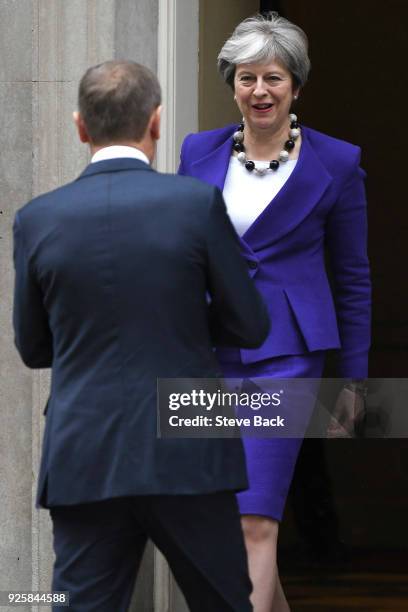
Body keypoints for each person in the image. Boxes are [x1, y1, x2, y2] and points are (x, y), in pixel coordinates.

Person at [13, 60, 270, 612]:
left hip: (85, 445)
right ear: (156, 122)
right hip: (189, 436)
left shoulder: (38, 218)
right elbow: (251, 323)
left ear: (81, 126)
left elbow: (33, 347)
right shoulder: (195, 204)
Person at [179, 12, 371, 612]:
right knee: (217, 517)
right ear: (231, 84)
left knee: (255, 521)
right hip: (210, 352)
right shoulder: (197, 152)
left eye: (273, 78)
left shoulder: (336, 163)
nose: (259, 91)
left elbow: (353, 276)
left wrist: (354, 378)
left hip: (288, 353)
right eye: (246, 78)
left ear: (296, 85)